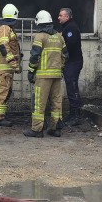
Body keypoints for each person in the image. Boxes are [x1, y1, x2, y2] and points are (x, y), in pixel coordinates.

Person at [24, 10, 68, 138]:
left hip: (43, 76)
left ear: (40, 23)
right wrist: (60, 68)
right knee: (56, 102)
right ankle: (54, 129)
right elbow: (66, 55)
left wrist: (31, 71)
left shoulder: (40, 37)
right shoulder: (59, 36)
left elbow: (34, 56)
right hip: (57, 75)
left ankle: (37, 130)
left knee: (39, 103)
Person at [0, 3, 23, 127]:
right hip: (5, 68)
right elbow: (3, 46)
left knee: (6, 92)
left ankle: (0, 115)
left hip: (6, 68)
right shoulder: (5, 28)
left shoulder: (5, 27)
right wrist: (14, 63)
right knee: (3, 92)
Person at [57, 7, 84, 126]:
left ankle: (76, 116)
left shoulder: (71, 28)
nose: (58, 17)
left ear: (67, 17)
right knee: (71, 87)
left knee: (72, 88)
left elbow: (70, 46)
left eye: (60, 15)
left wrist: (60, 53)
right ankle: (73, 114)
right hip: (71, 62)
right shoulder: (67, 27)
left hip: (73, 62)